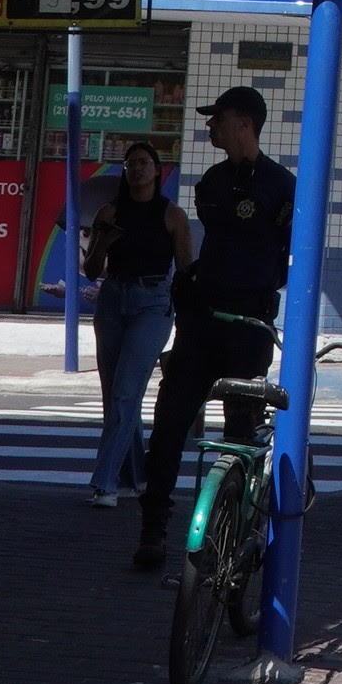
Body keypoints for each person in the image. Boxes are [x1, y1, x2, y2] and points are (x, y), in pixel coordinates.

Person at [133, 87, 293, 570]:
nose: (210, 127)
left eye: (217, 119)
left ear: (243, 123)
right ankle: (153, 529)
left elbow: (281, 259)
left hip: (248, 326)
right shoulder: (211, 183)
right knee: (167, 427)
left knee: (240, 431)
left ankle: (234, 530)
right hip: (203, 323)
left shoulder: (281, 185)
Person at [83, 141, 192, 508]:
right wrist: (103, 242)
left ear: (157, 170)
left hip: (153, 303)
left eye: (144, 163)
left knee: (127, 392)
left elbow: (186, 270)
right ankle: (137, 477)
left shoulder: (172, 215)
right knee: (114, 394)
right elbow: (92, 270)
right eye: (131, 164)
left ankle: (104, 483)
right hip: (113, 299)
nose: (137, 169)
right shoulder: (109, 211)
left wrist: (187, 318)